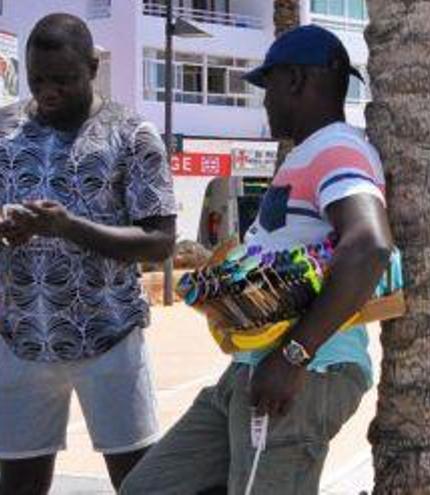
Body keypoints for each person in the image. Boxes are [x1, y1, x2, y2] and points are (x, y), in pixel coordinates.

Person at [121, 25, 393, 494]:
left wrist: (293, 356)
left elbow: (369, 244)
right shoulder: (309, 154)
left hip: (307, 371)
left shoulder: (337, 149)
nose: (264, 102)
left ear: (295, 81)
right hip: (252, 369)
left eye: (266, 87)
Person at [0, 14, 177, 494]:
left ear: (93, 66)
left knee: (140, 485)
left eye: (63, 79)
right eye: (38, 80)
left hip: (111, 339)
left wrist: (67, 226)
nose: (48, 91)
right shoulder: (5, 132)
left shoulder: (132, 135)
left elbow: (161, 241)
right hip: (20, 339)